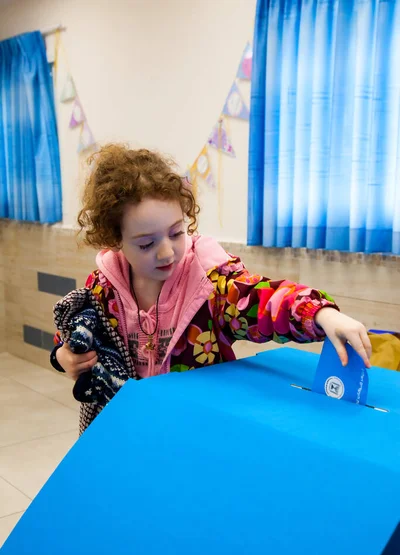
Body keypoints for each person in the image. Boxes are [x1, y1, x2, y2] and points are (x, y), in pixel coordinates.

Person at [51, 144, 372, 434]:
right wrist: (64, 356)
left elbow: (262, 298)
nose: (166, 252)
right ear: (115, 240)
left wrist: (321, 313)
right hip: (128, 427)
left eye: (176, 233)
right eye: (147, 243)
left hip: (196, 428)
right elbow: (71, 335)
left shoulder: (211, 285)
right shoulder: (101, 289)